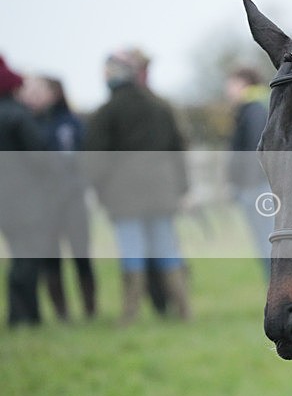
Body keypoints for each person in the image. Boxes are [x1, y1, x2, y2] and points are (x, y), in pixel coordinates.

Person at [84, 48, 190, 324]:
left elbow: (96, 159)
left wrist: (100, 191)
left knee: (132, 251)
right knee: (168, 250)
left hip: (124, 195)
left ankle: (129, 314)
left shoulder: (106, 112)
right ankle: (183, 310)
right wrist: (181, 188)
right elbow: (177, 148)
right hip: (162, 191)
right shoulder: (159, 106)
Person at [20, 74, 97, 320]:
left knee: (81, 255)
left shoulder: (71, 124)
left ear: (54, 93)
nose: (31, 95)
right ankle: (61, 313)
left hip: (72, 199)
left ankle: (89, 310)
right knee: (50, 260)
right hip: (43, 203)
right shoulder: (26, 123)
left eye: (37, 90)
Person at [0, 56, 52, 327]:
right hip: (22, 199)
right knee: (27, 257)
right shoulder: (18, 115)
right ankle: (25, 316)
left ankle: (18, 315)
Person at [225, 66, 273, 280]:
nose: (228, 89)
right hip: (256, 186)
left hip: (257, 188)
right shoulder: (252, 108)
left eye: (232, 83)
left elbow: (254, 150)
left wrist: (247, 186)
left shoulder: (253, 109)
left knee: (266, 243)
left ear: (245, 83)